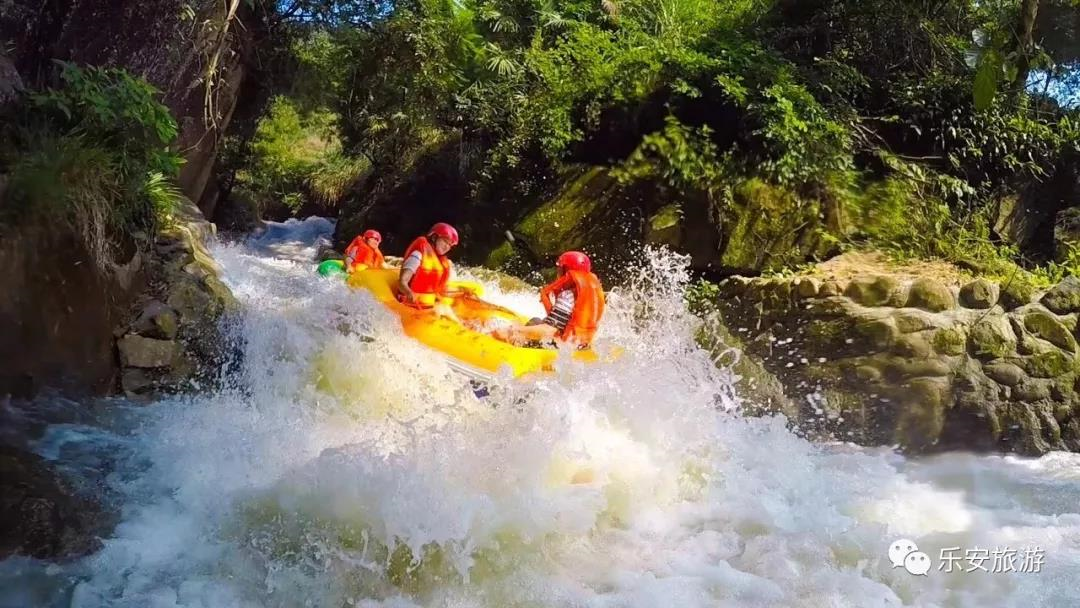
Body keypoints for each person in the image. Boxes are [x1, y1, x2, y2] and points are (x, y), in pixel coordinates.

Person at [492, 251, 605, 349]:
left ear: (565, 271)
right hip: (580, 346)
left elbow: (550, 331)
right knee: (535, 321)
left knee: (521, 329)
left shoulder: (567, 296)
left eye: (559, 269)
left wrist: (513, 331)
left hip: (561, 349)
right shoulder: (590, 295)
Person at [398, 222, 459, 308]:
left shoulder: (441, 263)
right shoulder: (417, 255)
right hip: (409, 305)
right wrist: (409, 293)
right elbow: (401, 283)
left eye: (450, 245)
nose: (447, 247)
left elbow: (440, 289)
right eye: (445, 241)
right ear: (434, 237)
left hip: (427, 306)